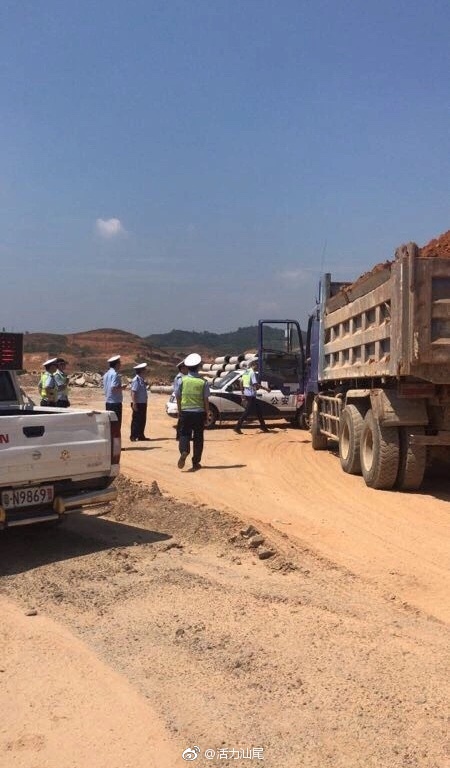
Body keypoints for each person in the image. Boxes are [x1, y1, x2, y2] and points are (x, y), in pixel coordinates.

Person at [175, 352, 209, 471]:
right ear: (198, 367)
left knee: (184, 434)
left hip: (185, 412)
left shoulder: (181, 380)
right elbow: (206, 400)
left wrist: (179, 410)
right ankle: (196, 462)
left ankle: (184, 451)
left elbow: (178, 397)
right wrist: (207, 413)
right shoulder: (203, 382)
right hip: (199, 413)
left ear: (187, 367)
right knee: (198, 437)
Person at [233, 359, 271, 434]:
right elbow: (255, 384)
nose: (257, 367)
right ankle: (237, 427)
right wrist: (266, 388)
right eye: (257, 366)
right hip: (251, 395)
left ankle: (264, 427)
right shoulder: (252, 373)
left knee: (258, 411)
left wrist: (243, 393)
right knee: (246, 412)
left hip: (248, 394)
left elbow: (241, 382)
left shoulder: (246, 372)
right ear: (254, 365)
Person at [103, 355, 126, 430]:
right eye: (119, 363)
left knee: (110, 425)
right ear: (116, 364)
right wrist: (122, 387)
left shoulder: (106, 374)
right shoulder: (115, 374)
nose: (120, 365)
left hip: (108, 402)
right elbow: (113, 387)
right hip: (115, 403)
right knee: (116, 425)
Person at [130, 362, 150, 441]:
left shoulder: (141, 380)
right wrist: (134, 403)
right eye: (144, 370)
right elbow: (133, 392)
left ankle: (141, 435)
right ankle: (133, 436)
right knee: (136, 420)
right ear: (141, 371)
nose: (145, 371)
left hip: (142, 403)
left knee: (142, 419)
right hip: (137, 403)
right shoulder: (136, 380)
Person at [173, 360, 188, 439]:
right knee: (181, 419)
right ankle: (179, 436)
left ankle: (181, 435)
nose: (188, 369)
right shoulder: (179, 378)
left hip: (185, 401)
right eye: (186, 367)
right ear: (182, 368)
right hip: (182, 400)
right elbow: (177, 392)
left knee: (184, 420)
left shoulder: (185, 377)